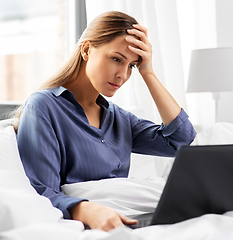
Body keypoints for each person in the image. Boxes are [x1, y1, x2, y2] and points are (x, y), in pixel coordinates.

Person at [15, 11, 196, 231]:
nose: (122, 75)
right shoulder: (43, 106)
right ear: (87, 49)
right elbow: (41, 189)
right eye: (116, 59)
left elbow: (182, 142)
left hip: (130, 222)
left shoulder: (120, 119)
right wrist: (87, 210)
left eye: (131, 65)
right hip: (91, 227)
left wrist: (147, 72)